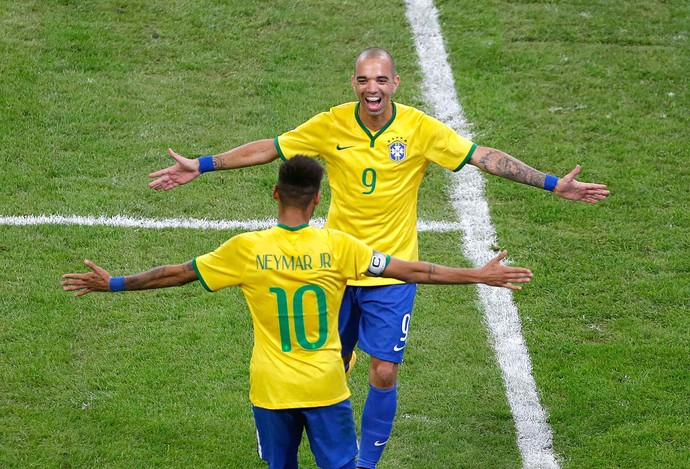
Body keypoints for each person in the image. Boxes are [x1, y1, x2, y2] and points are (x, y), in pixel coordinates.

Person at [147, 47, 609, 468]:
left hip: (391, 269)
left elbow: (482, 156)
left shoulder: (419, 129)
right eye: (365, 80)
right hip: (339, 267)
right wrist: (203, 164)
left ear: (395, 83)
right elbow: (272, 148)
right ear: (354, 84)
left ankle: (364, 464)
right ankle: (288, 431)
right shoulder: (331, 124)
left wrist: (552, 183)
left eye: (381, 80)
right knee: (331, 365)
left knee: (383, 371)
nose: (373, 88)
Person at [63, 156, 533, 469]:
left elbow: (176, 273)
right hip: (325, 388)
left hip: (270, 390)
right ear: (315, 200)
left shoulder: (245, 250)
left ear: (274, 194)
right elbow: (413, 271)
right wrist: (478, 275)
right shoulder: (338, 246)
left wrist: (114, 283)